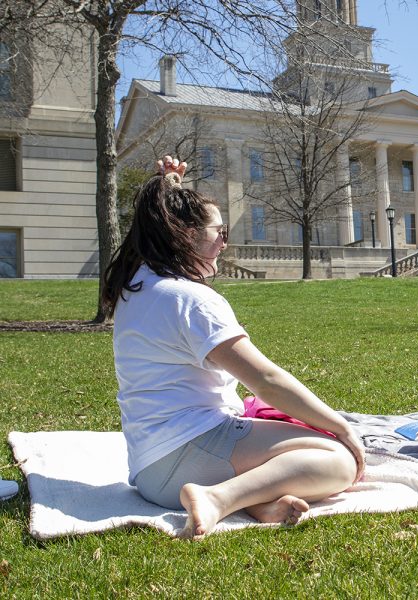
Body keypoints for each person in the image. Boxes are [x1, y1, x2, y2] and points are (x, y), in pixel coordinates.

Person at [102, 156, 364, 539]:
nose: (225, 241)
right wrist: (342, 428)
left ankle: (254, 502)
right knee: (337, 460)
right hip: (190, 456)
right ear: (185, 234)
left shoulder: (137, 285)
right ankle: (219, 498)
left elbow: (152, 223)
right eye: (219, 231)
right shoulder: (190, 300)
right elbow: (267, 380)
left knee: (291, 440)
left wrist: (169, 185)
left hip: (149, 474)